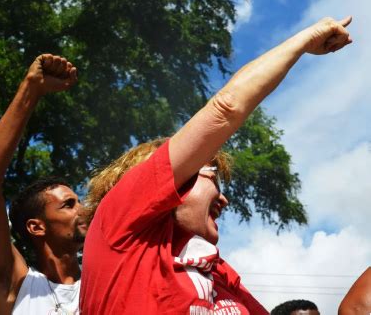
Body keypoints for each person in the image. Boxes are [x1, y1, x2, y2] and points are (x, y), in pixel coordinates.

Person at [80, 16, 353, 314]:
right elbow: (226, 108)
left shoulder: (218, 273)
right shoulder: (119, 225)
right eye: (212, 177)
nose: (224, 199)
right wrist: (306, 40)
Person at [0, 54, 87, 314]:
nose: (83, 208)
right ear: (36, 227)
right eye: (68, 204)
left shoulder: (106, 283)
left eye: (79, 200)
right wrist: (32, 87)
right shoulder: (16, 286)